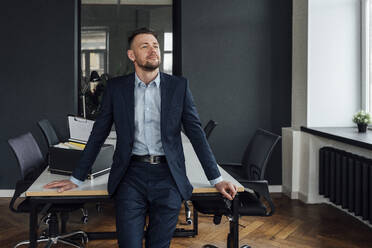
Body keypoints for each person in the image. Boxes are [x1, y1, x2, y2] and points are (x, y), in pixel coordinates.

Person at [44, 27, 238, 248]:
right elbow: (98, 134)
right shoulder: (117, 88)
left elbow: (197, 134)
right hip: (130, 176)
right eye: (144, 46)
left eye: (155, 45)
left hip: (168, 177)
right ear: (132, 55)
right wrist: (76, 178)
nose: (152, 50)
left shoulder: (178, 87)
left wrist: (216, 179)